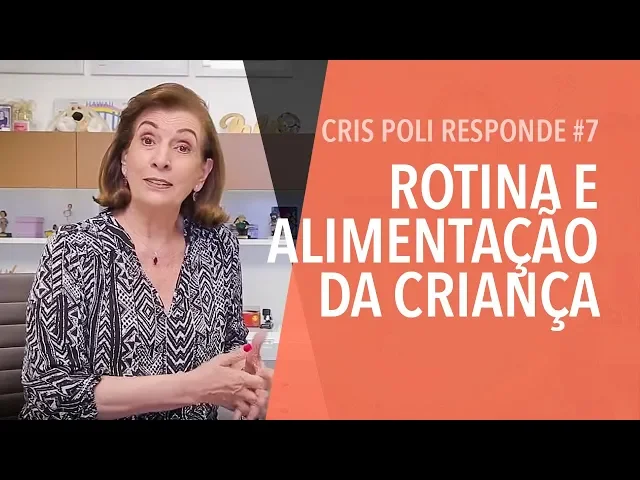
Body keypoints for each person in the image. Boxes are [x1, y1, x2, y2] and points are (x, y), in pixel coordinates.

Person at [19, 83, 273, 420]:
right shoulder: (73, 249)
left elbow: (230, 344)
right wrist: (191, 387)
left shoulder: (219, 245)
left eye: (182, 147)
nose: (161, 160)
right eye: (148, 140)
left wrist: (245, 378)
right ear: (125, 158)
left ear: (202, 172)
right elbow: (49, 390)